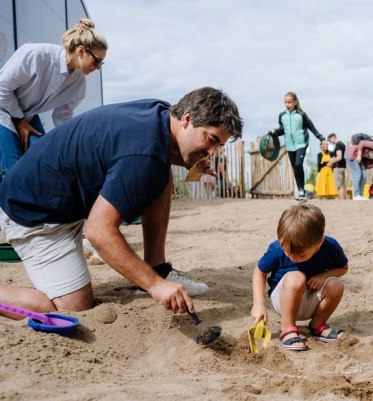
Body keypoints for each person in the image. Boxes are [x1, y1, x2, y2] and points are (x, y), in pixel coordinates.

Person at [0, 87, 243, 318]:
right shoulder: (143, 154)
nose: (212, 152)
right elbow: (98, 231)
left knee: (160, 171)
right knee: (69, 308)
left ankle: (157, 266)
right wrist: (155, 286)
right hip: (32, 214)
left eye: (218, 146)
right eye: (210, 139)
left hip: (62, 201)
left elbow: (151, 155)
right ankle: (155, 276)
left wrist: (194, 161)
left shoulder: (159, 115)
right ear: (188, 119)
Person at [0, 19, 107, 180]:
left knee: (44, 160)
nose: (97, 67)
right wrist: (20, 121)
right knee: (15, 172)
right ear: (80, 51)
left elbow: (62, 117)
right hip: (3, 107)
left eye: (101, 63)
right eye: (97, 61)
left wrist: (74, 147)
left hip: (24, 113)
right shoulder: (36, 55)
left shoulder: (78, 83)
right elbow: (2, 87)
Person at [251, 204, 349, 351]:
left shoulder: (330, 246)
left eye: (301, 254)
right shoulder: (277, 249)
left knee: (336, 285)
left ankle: (317, 325)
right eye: (288, 252)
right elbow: (259, 272)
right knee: (297, 277)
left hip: (311, 299)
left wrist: (324, 276)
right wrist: (258, 304)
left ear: (319, 242)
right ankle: (288, 328)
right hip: (283, 299)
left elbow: (343, 268)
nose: (294, 258)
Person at [268, 92, 326, 201]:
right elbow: (282, 130)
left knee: (298, 164)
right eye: (285, 102)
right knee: (295, 168)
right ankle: (301, 191)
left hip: (301, 143)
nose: (287, 104)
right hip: (289, 145)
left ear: (295, 102)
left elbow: (311, 127)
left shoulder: (301, 115)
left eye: (289, 102)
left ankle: (301, 190)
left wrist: (321, 138)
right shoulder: (282, 116)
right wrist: (275, 131)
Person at [346, 132, 372, 200]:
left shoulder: (365, 145)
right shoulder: (361, 144)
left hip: (357, 156)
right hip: (352, 156)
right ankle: (356, 195)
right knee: (357, 174)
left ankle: (360, 194)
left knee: (364, 174)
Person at [327, 133, 347, 199]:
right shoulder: (342, 144)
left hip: (338, 167)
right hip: (342, 166)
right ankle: (344, 199)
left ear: (333, 137)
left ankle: (342, 201)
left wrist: (331, 163)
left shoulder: (338, 144)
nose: (330, 142)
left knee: (339, 185)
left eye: (329, 140)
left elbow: (339, 157)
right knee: (342, 184)